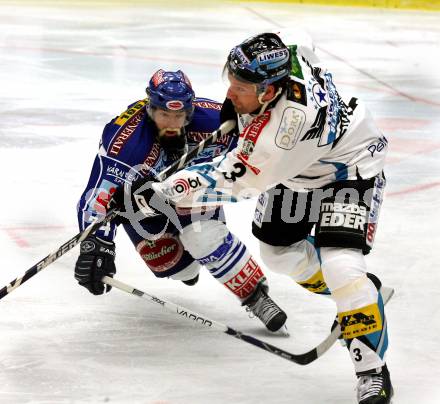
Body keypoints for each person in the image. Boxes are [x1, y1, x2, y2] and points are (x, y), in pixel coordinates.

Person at [123, 34, 393, 403]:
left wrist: (165, 191)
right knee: (279, 255)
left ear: (269, 91)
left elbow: (234, 181)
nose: (230, 95)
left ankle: (370, 368)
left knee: (342, 265)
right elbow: (304, 44)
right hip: (297, 170)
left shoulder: (282, 133)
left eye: (241, 89)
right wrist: (242, 112)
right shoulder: (288, 59)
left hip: (350, 167)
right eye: (231, 83)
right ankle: (358, 296)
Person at [74, 69, 288, 333]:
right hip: (143, 208)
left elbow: (261, 139)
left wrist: (253, 122)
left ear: (190, 110)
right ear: (150, 110)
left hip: (189, 192)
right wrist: (97, 245)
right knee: (174, 267)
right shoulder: (127, 142)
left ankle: (256, 297)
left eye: (179, 116)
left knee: (204, 237)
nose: (173, 123)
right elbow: (98, 195)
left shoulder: (214, 119)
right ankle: (188, 267)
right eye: (165, 115)